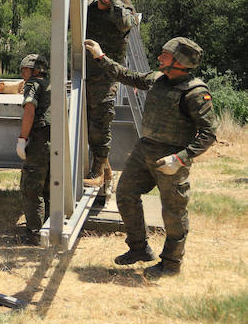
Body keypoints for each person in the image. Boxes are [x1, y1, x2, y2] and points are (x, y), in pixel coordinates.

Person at [84, 37, 216, 278]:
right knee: (125, 195)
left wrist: (180, 158)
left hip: (172, 158)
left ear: (179, 61)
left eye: (165, 55)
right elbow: (128, 76)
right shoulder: (157, 79)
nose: (159, 58)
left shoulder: (195, 92)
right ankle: (139, 248)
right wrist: (101, 57)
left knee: (173, 212)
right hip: (144, 150)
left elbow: (209, 133)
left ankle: (171, 264)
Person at [84, 0, 138, 193]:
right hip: (86, 74)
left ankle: (97, 171)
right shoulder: (89, 10)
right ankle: (106, 173)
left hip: (107, 75)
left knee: (101, 122)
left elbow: (126, 23)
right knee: (88, 124)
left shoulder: (124, 11)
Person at [15, 54, 51, 245]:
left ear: (35, 70)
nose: (22, 73)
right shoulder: (50, 84)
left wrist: (22, 138)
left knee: (31, 187)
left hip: (39, 140)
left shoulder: (33, 85)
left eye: (25, 69)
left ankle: (34, 235)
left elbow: (29, 110)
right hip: (53, 140)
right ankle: (48, 229)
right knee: (48, 187)